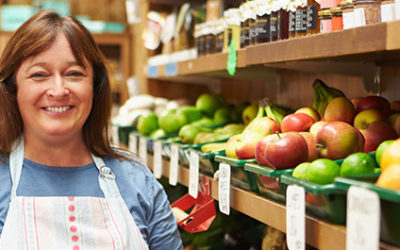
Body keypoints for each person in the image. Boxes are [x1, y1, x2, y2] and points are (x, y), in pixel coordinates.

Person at [0, 10, 183, 249]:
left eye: (74, 74)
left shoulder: (137, 180)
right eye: (39, 75)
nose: (58, 90)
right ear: (13, 88)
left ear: (95, 86)